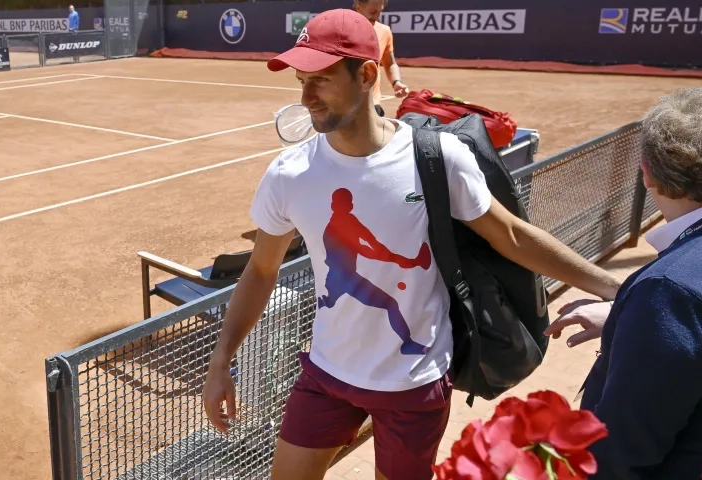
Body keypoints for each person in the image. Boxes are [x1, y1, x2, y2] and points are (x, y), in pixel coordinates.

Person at [202, 9, 622, 480]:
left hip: (414, 383)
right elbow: (261, 271)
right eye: (300, 81)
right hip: (325, 375)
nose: (305, 98)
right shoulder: (289, 174)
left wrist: (616, 289)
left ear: (365, 75)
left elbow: (511, 235)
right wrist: (221, 361)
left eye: (318, 80)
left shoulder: (438, 158)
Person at [545, 88, 702, 480]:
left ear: (647, 172)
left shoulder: (668, 291)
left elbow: (623, 452)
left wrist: (647, 317)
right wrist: (627, 321)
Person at [353, 0, 409, 117]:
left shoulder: (385, 31)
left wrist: (396, 82)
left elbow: (390, 63)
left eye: (380, 12)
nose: (377, 17)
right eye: (373, 12)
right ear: (358, 7)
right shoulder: (341, 30)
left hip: (373, 103)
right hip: (346, 104)